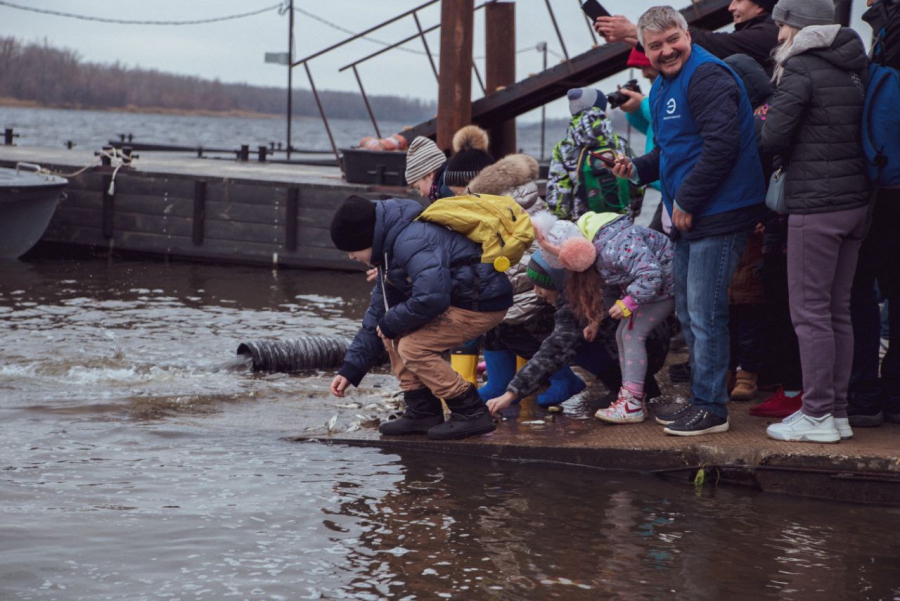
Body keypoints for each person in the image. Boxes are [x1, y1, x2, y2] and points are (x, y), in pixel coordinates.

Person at [611, 6, 767, 436]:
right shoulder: (662, 89)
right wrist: (637, 168)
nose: (666, 51)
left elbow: (722, 147)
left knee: (705, 311)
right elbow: (672, 151)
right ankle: (702, 397)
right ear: (645, 50)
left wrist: (688, 200)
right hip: (693, 213)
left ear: (687, 34)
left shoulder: (708, 76)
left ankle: (710, 408)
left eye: (672, 40)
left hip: (720, 211)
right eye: (655, 46)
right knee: (687, 309)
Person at [760, 0, 871, 443]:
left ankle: (818, 414)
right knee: (836, 311)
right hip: (855, 202)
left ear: (800, 26)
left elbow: (773, 137)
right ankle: (837, 412)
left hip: (816, 203)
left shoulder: (802, 68)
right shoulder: (853, 64)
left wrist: (759, 117)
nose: (778, 36)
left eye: (781, 26)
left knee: (808, 314)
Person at [328, 195, 512, 441]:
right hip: (457, 300)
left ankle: (470, 411)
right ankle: (422, 410)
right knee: (390, 332)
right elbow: (377, 313)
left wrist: (392, 323)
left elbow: (433, 297)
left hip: (480, 303)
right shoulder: (388, 249)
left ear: (368, 238)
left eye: (352, 249)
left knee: (413, 346)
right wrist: (350, 369)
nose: (351, 256)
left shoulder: (411, 241)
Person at [485, 246, 670, 419]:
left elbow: (553, 351)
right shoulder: (586, 281)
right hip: (652, 339)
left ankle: (628, 386)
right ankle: (635, 385)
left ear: (555, 281)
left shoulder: (576, 307)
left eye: (539, 285)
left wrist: (511, 393)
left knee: (570, 342)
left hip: (646, 348)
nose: (536, 292)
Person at [465, 152, 588, 407]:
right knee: (493, 324)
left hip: (534, 297)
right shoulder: (511, 215)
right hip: (517, 294)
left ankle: (563, 377)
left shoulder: (528, 219)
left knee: (504, 323)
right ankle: (499, 384)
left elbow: (528, 270)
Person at [847, 0, 900, 427]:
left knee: (858, 288)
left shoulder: (890, 28)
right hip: (888, 181)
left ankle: (865, 396)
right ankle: (893, 396)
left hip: (884, 185)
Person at [594, 0, 780, 74]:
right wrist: (627, 36)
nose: (731, 7)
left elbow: (714, 45)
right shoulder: (764, 31)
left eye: (739, 0)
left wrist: (632, 30)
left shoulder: (771, 33)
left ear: (760, 6)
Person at [546, 88, 640, 222]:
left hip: (582, 228)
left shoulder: (564, 149)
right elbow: (637, 182)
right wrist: (634, 212)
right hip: (620, 226)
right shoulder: (620, 144)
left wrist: (561, 225)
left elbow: (558, 198)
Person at [404, 136, 447, 203]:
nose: (421, 194)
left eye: (418, 188)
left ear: (430, 175)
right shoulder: (445, 184)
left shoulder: (446, 191)